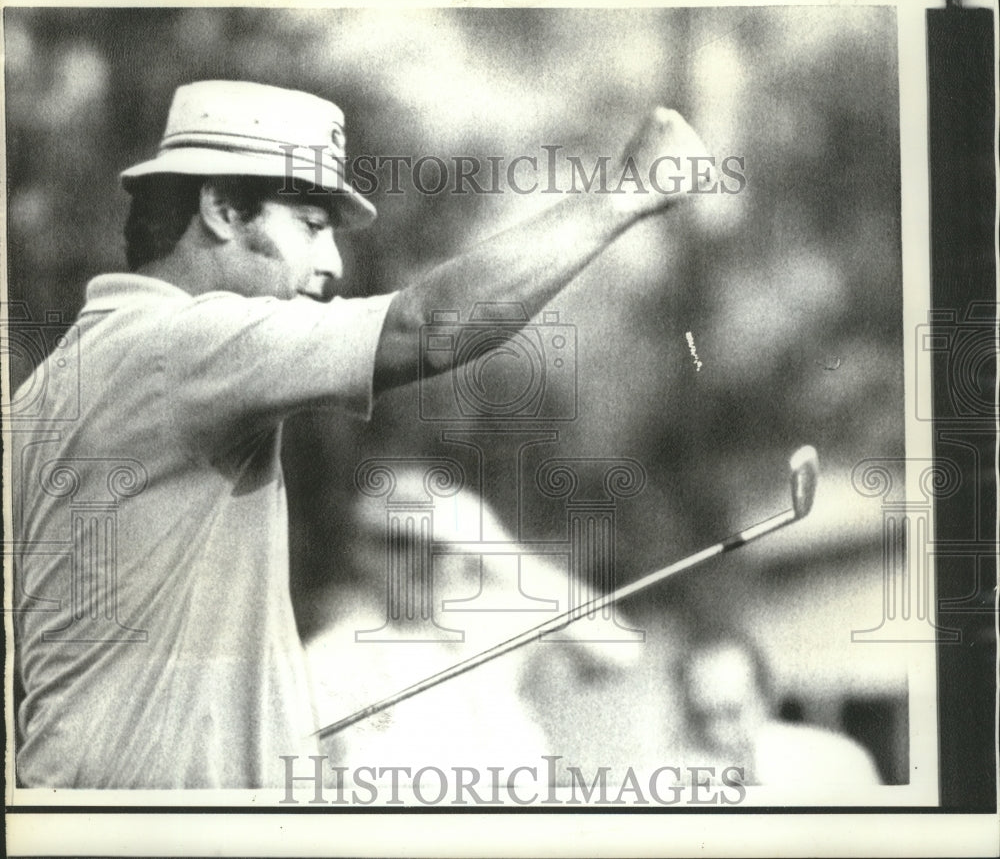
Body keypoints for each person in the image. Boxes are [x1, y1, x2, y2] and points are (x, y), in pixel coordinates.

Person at [12, 79, 711, 789]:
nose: (333, 264)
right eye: (312, 225)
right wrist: (629, 190)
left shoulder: (51, 388)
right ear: (223, 209)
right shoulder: (178, 345)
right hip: (158, 831)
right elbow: (426, 326)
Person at [676, 630, 882, 788]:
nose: (718, 734)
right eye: (701, 718)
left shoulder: (838, 765)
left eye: (733, 713)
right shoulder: (681, 780)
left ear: (766, 700)